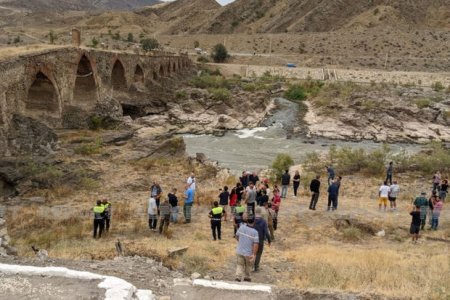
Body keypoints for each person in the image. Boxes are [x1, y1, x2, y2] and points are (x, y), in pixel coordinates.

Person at [235, 216, 259, 282]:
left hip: (239, 251)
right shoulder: (255, 232)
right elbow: (256, 244)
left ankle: (238, 277)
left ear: (247, 221)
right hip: (248, 253)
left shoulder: (241, 227)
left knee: (240, 264)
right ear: (254, 222)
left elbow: (237, 236)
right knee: (248, 266)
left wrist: (241, 242)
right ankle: (247, 277)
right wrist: (254, 254)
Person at [254, 208, 271, 272]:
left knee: (252, 252)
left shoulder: (252, 220)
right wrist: (269, 240)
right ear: (261, 213)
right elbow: (266, 232)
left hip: (252, 239)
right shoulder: (263, 221)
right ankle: (256, 267)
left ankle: (249, 266)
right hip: (260, 239)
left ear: (255, 212)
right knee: (259, 253)